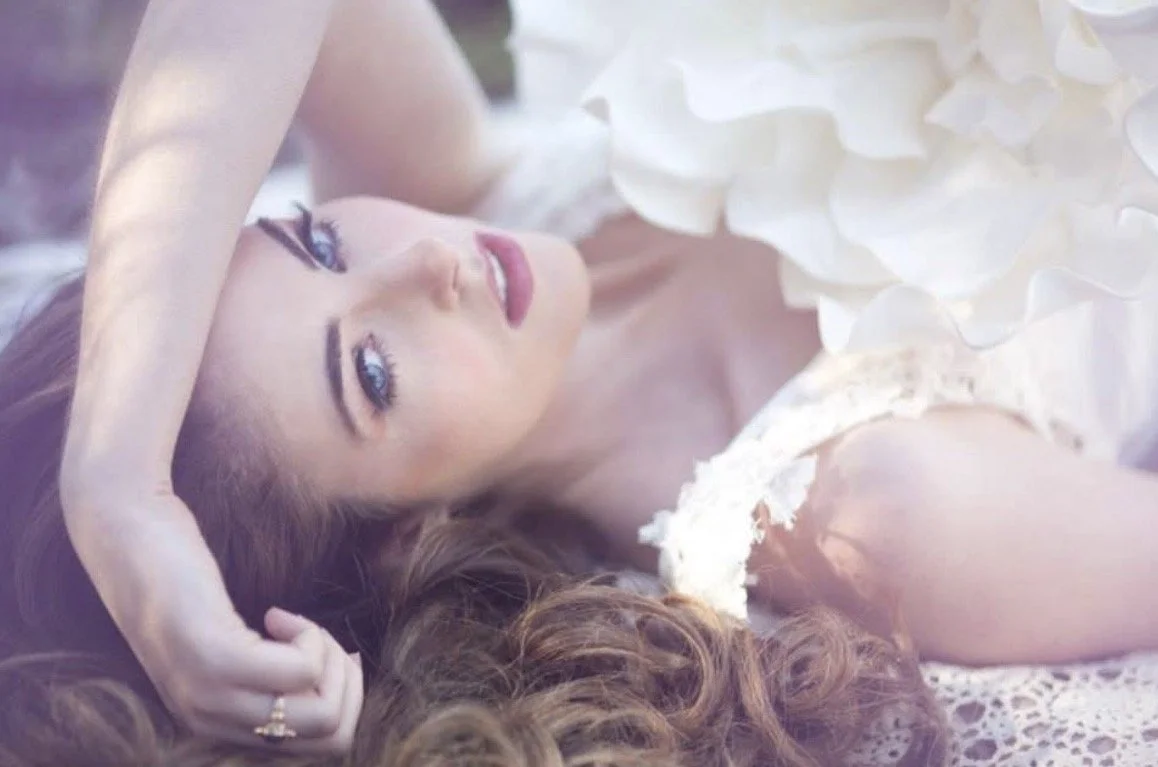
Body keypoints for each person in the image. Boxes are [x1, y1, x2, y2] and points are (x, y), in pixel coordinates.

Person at [2, 0, 1158, 760]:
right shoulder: (874, 507)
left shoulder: (458, 185)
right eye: (370, 370)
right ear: (413, 534)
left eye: (315, 241)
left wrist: (120, 468)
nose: (429, 262)